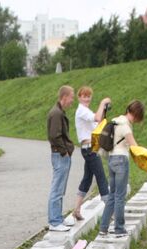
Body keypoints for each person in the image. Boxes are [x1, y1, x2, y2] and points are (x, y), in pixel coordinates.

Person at [100, 100, 146, 238]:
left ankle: (103, 227)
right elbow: (135, 148)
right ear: (137, 115)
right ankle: (119, 229)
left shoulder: (115, 121)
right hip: (121, 160)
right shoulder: (126, 126)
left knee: (112, 196)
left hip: (111, 159)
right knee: (120, 196)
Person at [70, 87, 111, 222]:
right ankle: (112, 213)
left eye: (89, 96)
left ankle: (76, 210)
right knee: (101, 178)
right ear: (79, 98)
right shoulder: (81, 111)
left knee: (87, 179)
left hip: (91, 148)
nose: (87, 99)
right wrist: (103, 102)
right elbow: (98, 118)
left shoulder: (86, 111)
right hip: (89, 149)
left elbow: (99, 122)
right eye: (84, 96)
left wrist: (104, 109)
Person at [46, 85, 76, 231]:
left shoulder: (59, 112)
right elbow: (54, 136)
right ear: (64, 97)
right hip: (60, 155)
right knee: (57, 188)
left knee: (60, 187)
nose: (72, 100)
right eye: (72, 97)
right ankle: (54, 222)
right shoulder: (56, 113)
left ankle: (58, 217)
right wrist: (64, 151)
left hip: (61, 154)